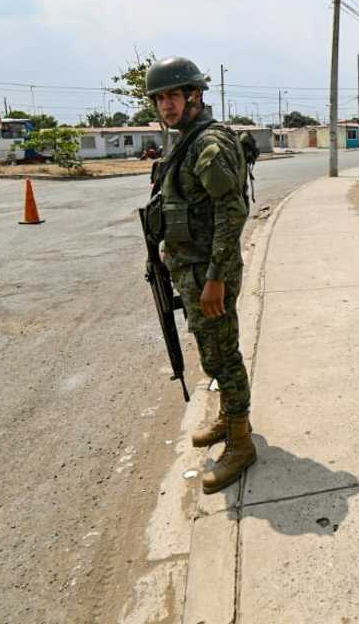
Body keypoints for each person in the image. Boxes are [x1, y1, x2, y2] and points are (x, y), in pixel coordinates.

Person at [146, 56, 255, 494]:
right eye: (160, 98)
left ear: (195, 96)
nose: (166, 105)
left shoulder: (208, 143)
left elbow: (232, 212)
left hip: (210, 273)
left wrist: (216, 277)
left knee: (222, 356)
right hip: (192, 269)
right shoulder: (186, 140)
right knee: (213, 353)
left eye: (173, 95)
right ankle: (230, 419)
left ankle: (242, 443)